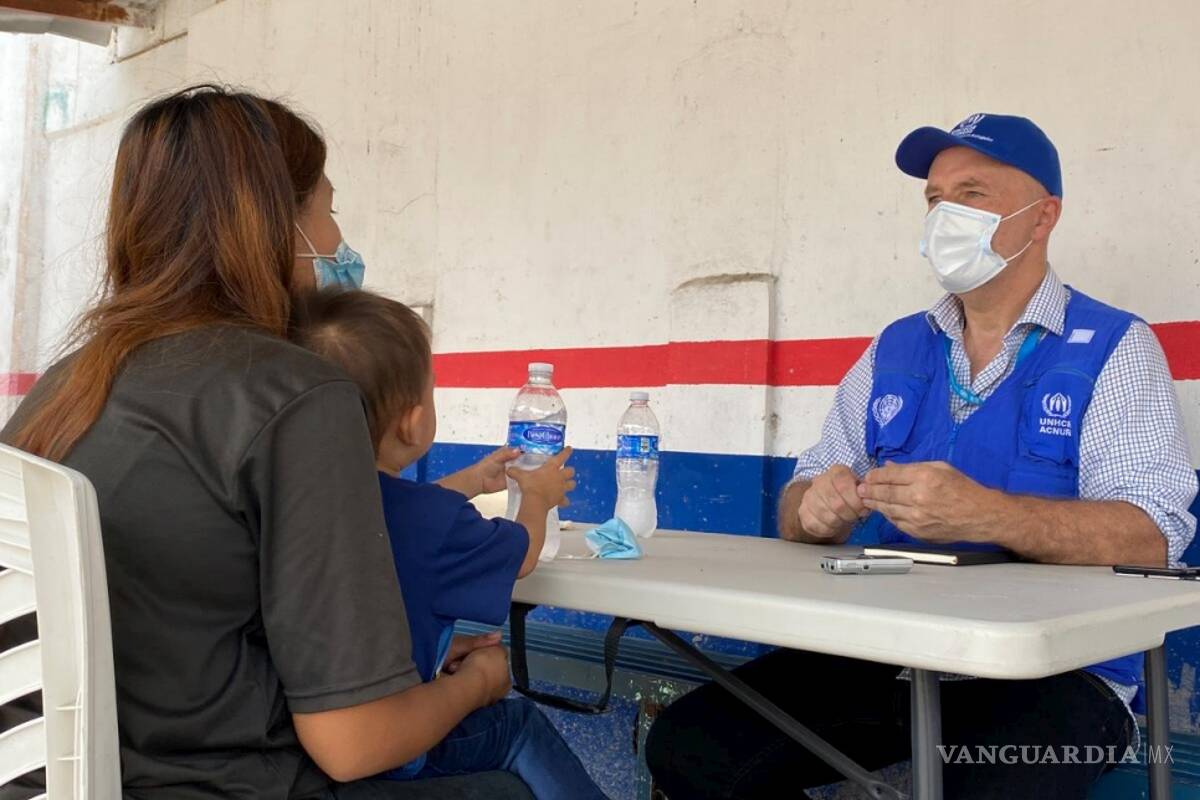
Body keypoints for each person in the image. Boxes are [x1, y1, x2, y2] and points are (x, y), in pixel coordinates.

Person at [1, 85, 533, 800]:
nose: (339, 241)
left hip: (56, 782)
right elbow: (353, 743)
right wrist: (478, 683)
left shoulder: (68, 384)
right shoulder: (296, 395)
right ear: (275, 223)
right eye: (329, 209)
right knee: (512, 771)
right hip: (229, 786)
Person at [646, 113, 1198, 799]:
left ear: (1041, 216)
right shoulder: (896, 348)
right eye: (935, 199)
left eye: (971, 195)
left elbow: (1152, 536)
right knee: (693, 746)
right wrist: (815, 508)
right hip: (896, 654)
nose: (945, 216)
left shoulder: (1112, 347)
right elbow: (800, 500)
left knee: (985, 787)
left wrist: (993, 514)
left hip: (1063, 674)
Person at [290, 288, 609, 800]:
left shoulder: (312, 504)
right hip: (400, 743)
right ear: (413, 421)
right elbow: (523, 555)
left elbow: (404, 512)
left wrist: (468, 480)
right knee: (518, 723)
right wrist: (539, 497)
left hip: (310, 744)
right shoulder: (435, 521)